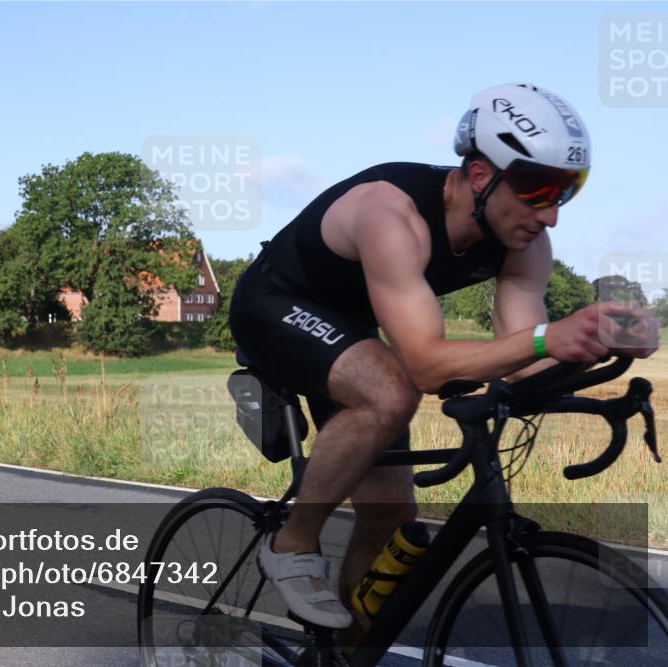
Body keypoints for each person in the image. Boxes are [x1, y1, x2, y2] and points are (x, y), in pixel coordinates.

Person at [228, 82, 659, 629]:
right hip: (276, 303)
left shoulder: (524, 242)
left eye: (565, 192)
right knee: (390, 390)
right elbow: (426, 367)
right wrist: (548, 339)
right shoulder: (391, 212)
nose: (550, 215)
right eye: (537, 189)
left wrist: (601, 340)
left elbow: (525, 352)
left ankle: (348, 655)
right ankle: (293, 542)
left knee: (389, 513)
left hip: (354, 325)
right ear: (480, 174)